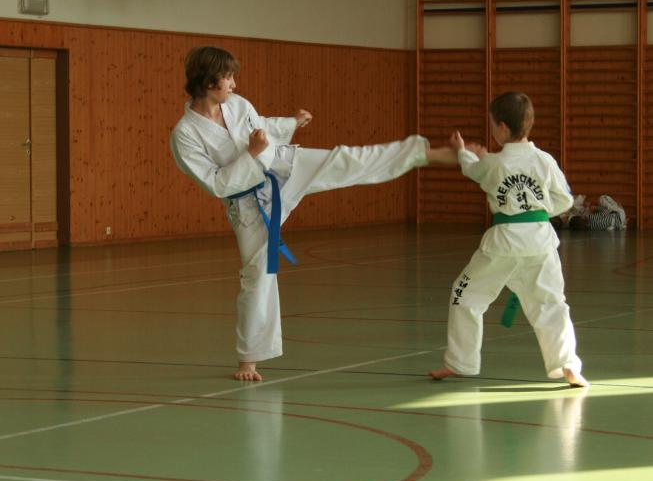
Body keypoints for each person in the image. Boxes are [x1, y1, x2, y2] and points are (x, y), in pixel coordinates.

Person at [171, 46, 458, 382]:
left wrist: (291, 123)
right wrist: (251, 154)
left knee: (342, 159)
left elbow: (262, 126)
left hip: (282, 167)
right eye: (228, 77)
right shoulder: (185, 135)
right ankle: (249, 360)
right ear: (208, 83)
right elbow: (217, 183)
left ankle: (424, 154)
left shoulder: (237, 104)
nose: (234, 83)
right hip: (250, 204)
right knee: (258, 275)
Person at [430, 91, 588, 388]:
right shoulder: (544, 160)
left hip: (502, 245)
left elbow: (472, 170)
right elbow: (565, 200)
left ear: (502, 128)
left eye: (492, 125)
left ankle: (461, 362)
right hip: (540, 242)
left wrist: (463, 151)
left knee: (465, 296)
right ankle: (567, 365)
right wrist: (538, 212)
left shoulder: (494, 163)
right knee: (551, 304)